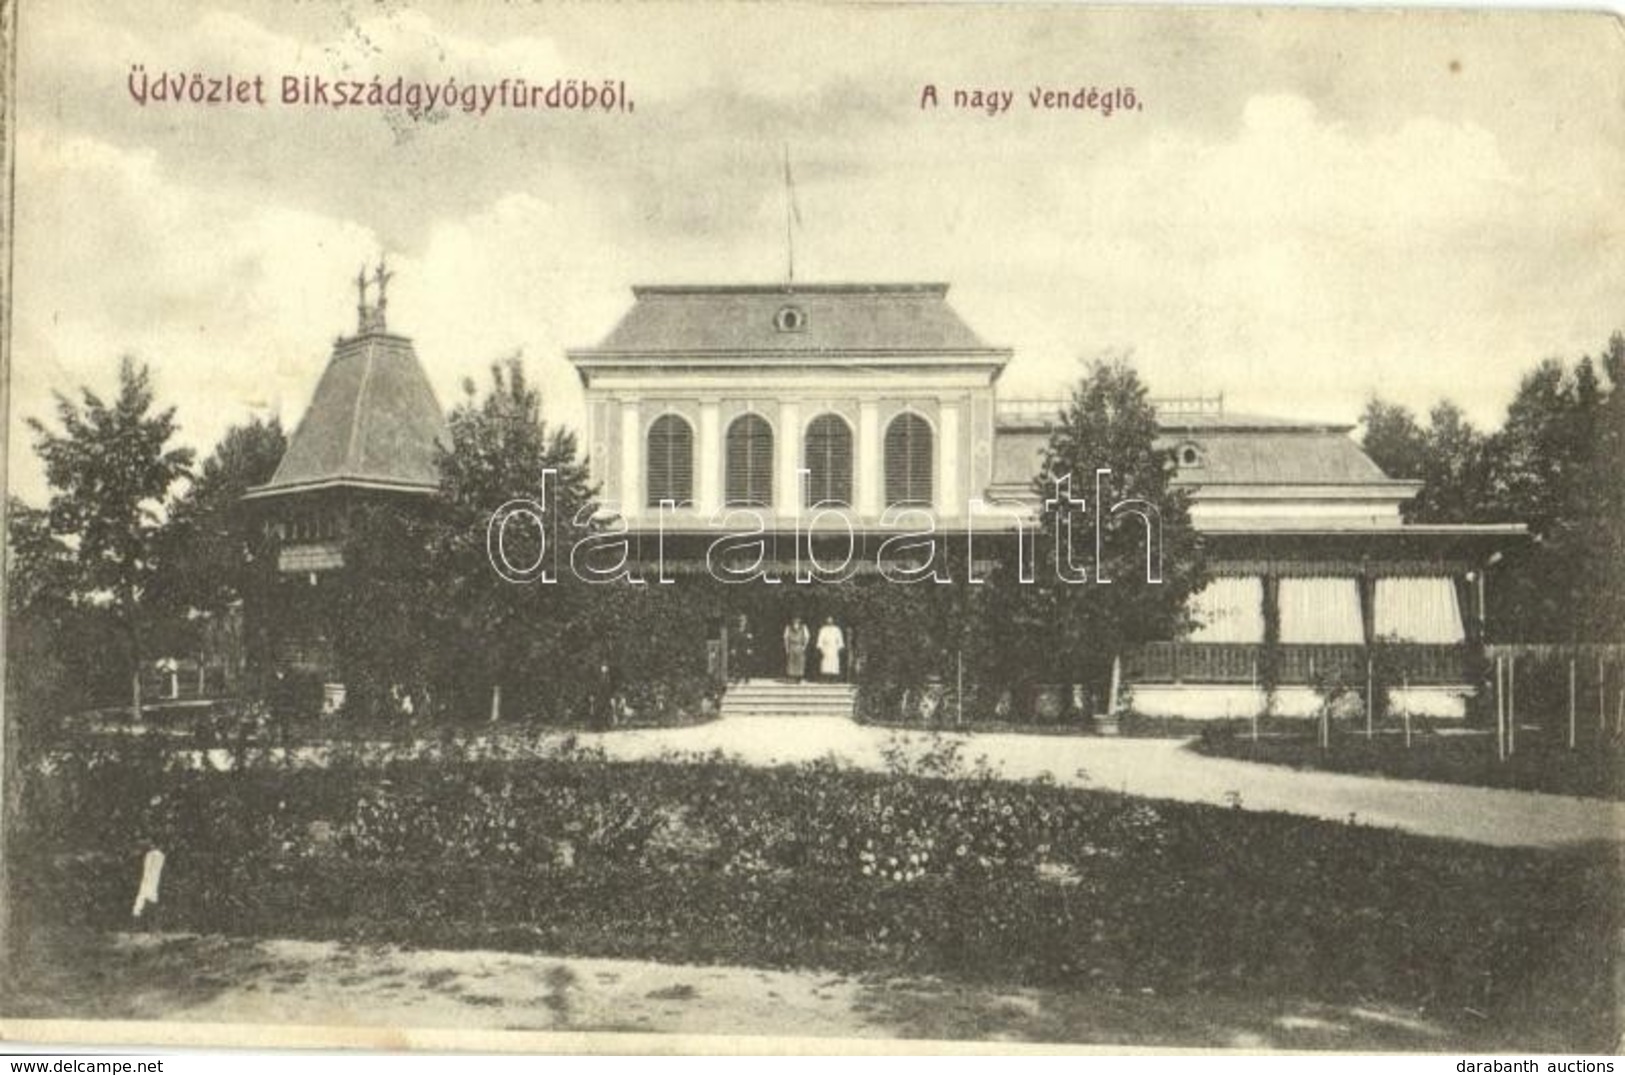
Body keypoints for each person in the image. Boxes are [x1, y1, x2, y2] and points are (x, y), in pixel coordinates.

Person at [783, 616, 811, 683]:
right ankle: (792, 677)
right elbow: (786, 638)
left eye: (798, 620)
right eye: (795, 620)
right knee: (791, 662)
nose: (796, 621)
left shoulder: (803, 627)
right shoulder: (788, 628)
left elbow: (807, 637)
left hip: (799, 646)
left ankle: (799, 677)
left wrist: (804, 646)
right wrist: (787, 648)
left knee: (800, 662)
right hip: (792, 646)